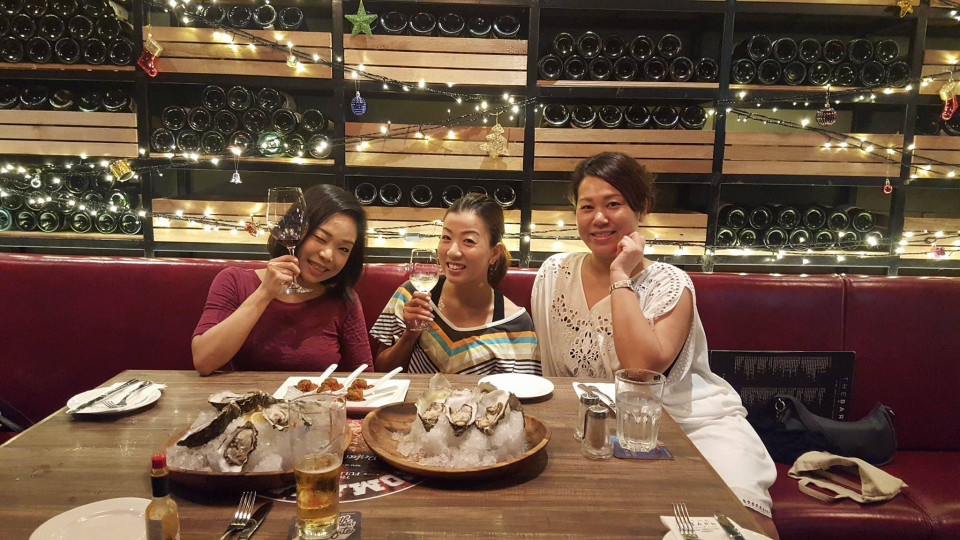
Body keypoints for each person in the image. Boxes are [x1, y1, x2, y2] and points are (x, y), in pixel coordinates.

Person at [531, 152, 778, 532]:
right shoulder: (553, 273)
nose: (599, 218)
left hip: (692, 425)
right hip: (596, 427)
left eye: (613, 204)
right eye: (587, 207)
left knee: (744, 522)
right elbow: (554, 374)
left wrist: (619, 275)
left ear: (641, 209)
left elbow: (640, 370)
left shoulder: (670, 283)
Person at [192, 184, 372, 375]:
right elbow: (204, 361)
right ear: (296, 229)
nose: (328, 255)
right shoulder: (234, 281)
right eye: (320, 238)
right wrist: (265, 293)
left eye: (343, 249)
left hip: (316, 395)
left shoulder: (343, 300)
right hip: (250, 395)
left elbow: (364, 375)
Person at [372, 193, 540, 375]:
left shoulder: (515, 324)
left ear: (494, 253)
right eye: (446, 237)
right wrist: (409, 335)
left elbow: (525, 389)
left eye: (468, 241)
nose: (452, 252)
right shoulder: (412, 294)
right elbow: (381, 372)